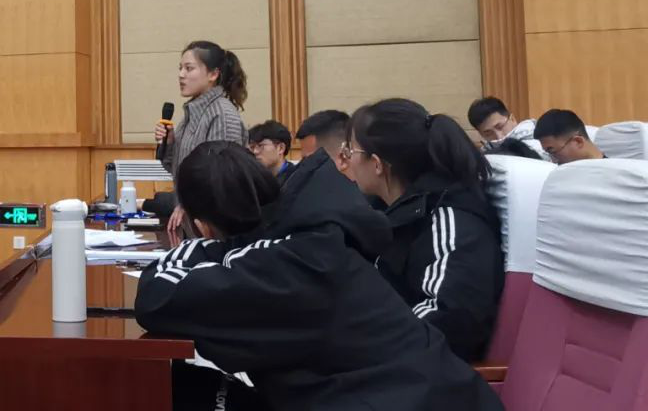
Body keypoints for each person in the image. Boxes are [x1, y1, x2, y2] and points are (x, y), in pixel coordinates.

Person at [135, 142, 504, 411]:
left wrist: (202, 250)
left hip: (403, 400)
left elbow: (156, 293)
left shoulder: (281, 266)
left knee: (178, 391)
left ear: (203, 226)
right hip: (422, 393)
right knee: (190, 386)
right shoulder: (310, 236)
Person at [344, 98, 504, 362]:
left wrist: (350, 340)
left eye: (350, 150)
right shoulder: (389, 212)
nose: (347, 161)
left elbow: (447, 320)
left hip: (419, 372)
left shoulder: (451, 221)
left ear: (377, 163)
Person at [153, 41, 248, 239]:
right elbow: (178, 171)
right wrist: (170, 145)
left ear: (213, 74)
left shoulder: (222, 114)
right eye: (180, 68)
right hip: (192, 225)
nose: (181, 75)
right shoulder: (191, 114)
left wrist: (187, 205)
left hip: (216, 229)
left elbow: (221, 177)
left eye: (189, 68)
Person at [467, 96, 548, 159]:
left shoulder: (542, 143)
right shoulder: (483, 157)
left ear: (512, 119)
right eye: (488, 134)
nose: (499, 136)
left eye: (500, 127)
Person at [533, 108, 605, 164]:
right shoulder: (559, 175)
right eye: (548, 153)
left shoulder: (610, 173)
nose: (554, 161)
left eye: (553, 151)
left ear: (578, 142)